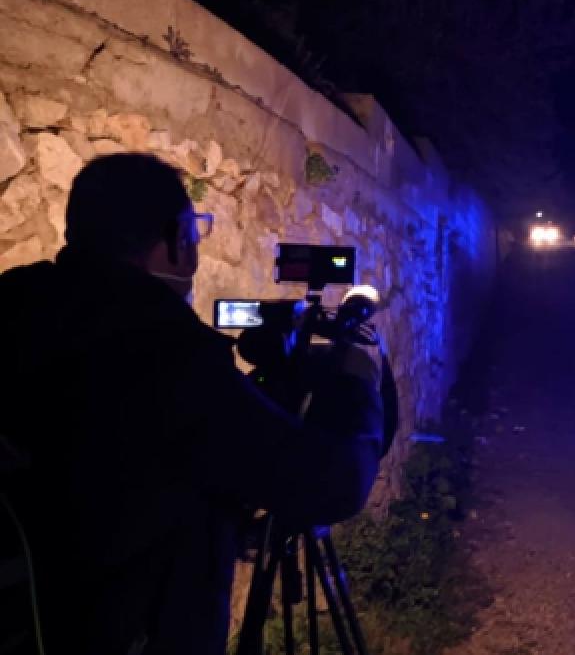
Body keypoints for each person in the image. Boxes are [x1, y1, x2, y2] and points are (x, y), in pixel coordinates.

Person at [0, 153, 385, 654]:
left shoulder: (19, 314)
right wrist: (357, 389)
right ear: (176, 242)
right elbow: (332, 483)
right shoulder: (167, 356)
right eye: (195, 233)